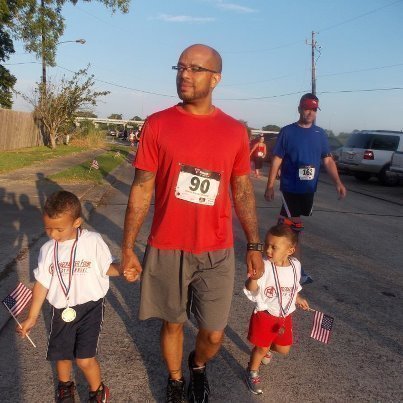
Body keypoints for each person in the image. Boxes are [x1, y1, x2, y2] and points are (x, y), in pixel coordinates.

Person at [122, 44, 264, 403]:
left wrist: (254, 243)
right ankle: (174, 379)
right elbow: (141, 189)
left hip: (217, 250)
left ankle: (197, 364)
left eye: (196, 69)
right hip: (167, 245)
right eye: (181, 67)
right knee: (172, 323)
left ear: (215, 78)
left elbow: (242, 189)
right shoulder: (158, 124)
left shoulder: (234, 131)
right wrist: (127, 248)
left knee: (213, 334)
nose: (185, 75)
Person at [17, 190, 121, 403]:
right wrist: (32, 316)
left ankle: (97, 390)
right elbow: (42, 283)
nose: (53, 234)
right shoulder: (47, 250)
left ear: (76, 222)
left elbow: (106, 268)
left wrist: (125, 270)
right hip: (60, 310)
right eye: (48, 228)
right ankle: (65, 388)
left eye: (59, 229)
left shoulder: (92, 241)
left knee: (84, 359)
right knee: (61, 355)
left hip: (90, 308)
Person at [264, 93, 347, 284]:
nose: (310, 112)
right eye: (307, 108)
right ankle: (293, 269)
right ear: (300, 109)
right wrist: (270, 185)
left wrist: (338, 183)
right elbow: (277, 159)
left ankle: (280, 260)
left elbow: (327, 160)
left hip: (308, 189)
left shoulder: (320, 134)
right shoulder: (287, 132)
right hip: (290, 188)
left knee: (291, 227)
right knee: (293, 228)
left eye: (314, 109)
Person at [244, 224, 310, 395]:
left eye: (274, 247)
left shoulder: (295, 265)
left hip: (284, 316)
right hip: (266, 315)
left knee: (283, 349)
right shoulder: (264, 266)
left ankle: (264, 351)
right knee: (262, 348)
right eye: (267, 245)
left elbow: (293, 286)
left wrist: (298, 298)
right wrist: (254, 278)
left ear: (290, 250)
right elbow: (251, 289)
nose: (268, 250)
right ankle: (252, 372)